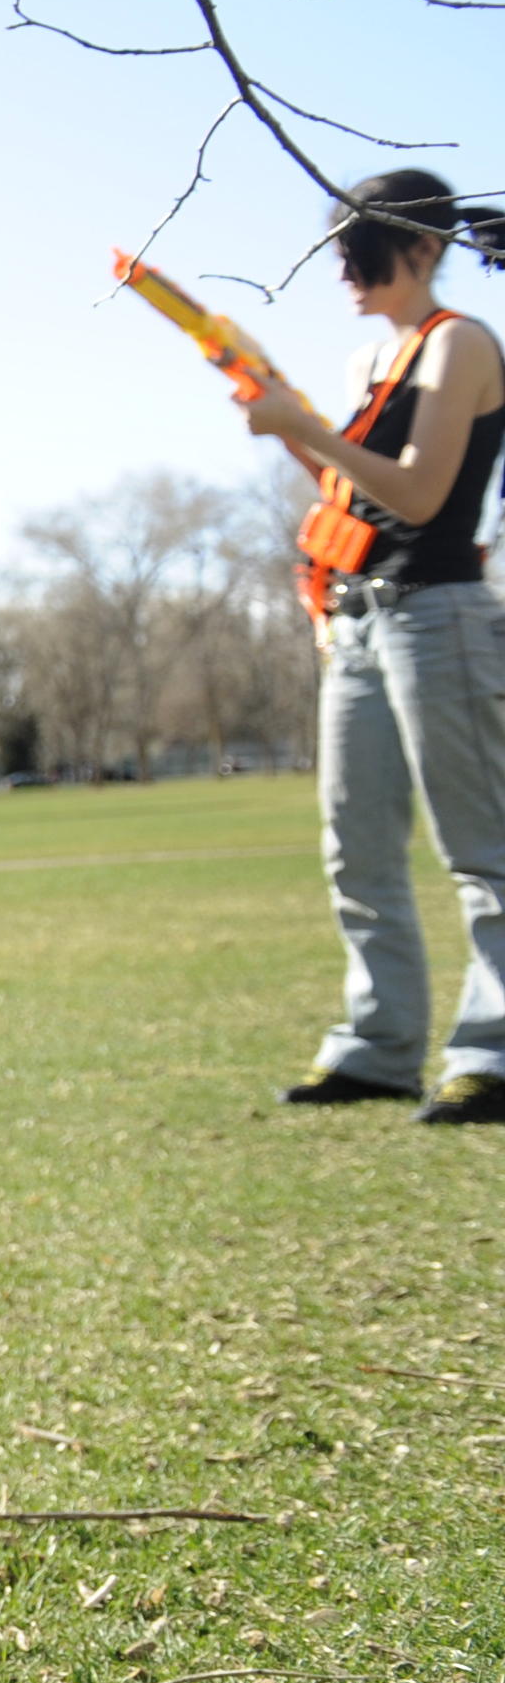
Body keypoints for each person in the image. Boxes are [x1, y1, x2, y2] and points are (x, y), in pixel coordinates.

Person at [236, 170, 505, 1121]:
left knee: (481, 850)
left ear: (424, 250)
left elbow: (422, 496)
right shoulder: (367, 364)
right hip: (355, 619)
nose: (344, 269)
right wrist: (289, 429)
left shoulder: (460, 345)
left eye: (362, 249)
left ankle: (494, 1054)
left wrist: (304, 425)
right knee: (357, 850)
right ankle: (378, 1048)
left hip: (442, 618)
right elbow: (355, 492)